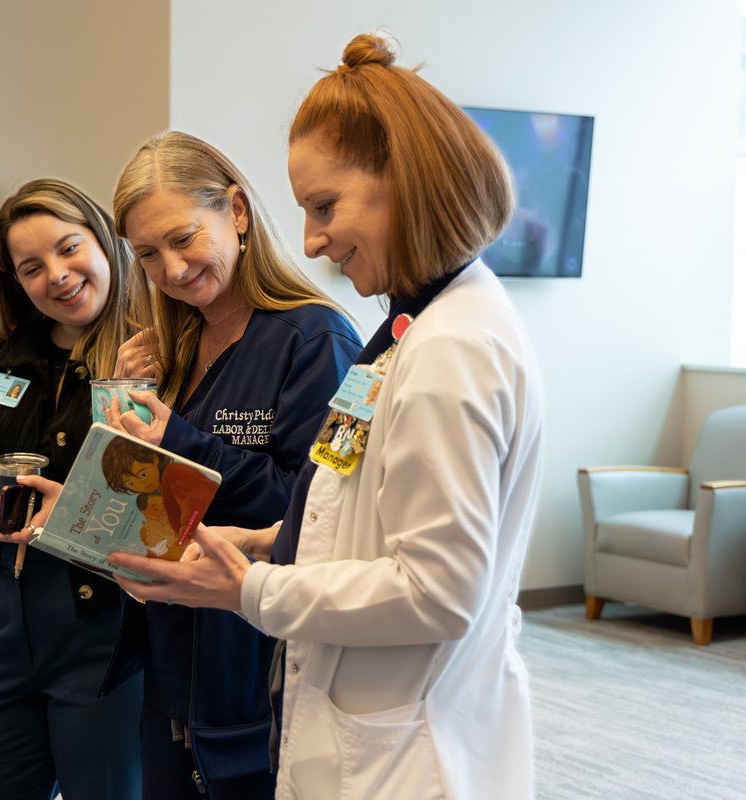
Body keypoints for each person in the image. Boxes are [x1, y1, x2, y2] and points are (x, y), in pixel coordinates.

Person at [106, 34, 545, 800]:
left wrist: (251, 588)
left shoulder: (445, 347)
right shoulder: (406, 332)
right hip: (337, 714)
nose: (311, 239)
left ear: (405, 180)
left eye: (324, 207)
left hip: (406, 746)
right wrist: (266, 543)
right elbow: (336, 498)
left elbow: (439, 590)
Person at [105, 131, 362, 798]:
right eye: (148, 254)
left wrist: (183, 441)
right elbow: (160, 504)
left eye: (183, 238)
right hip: (171, 673)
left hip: (253, 682)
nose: (171, 269)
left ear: (238, 212)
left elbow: (312, 511)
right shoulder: (173, 345)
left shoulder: (315, 340)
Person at [0, 178, 144, 800]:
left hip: (108, 628)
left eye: (69, 248)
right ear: (16, 282)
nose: (57, 275)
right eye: (32, 267)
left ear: (105, 241)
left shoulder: (156, 357)